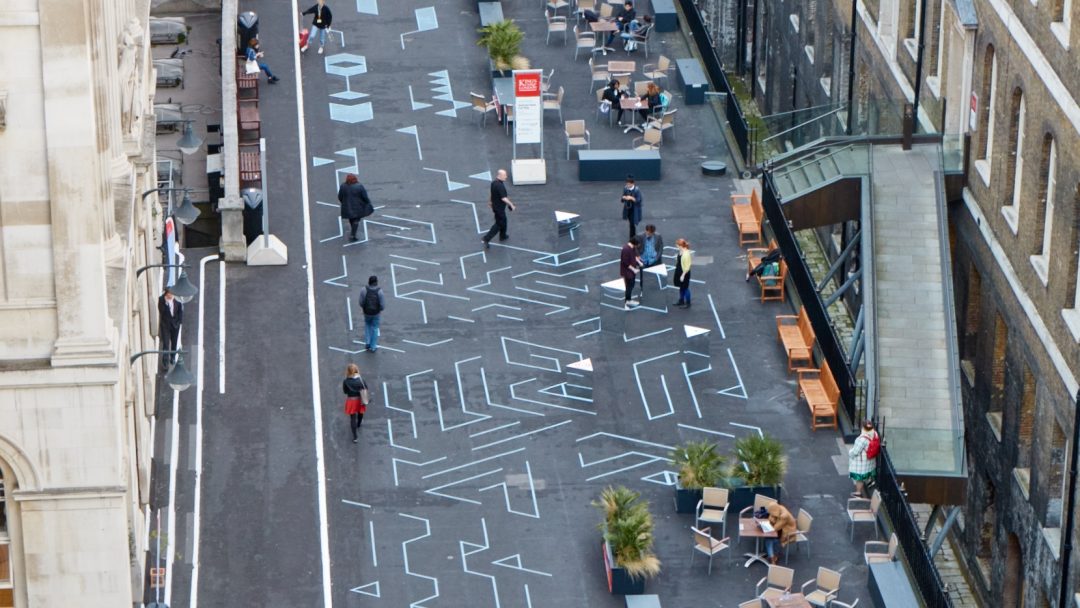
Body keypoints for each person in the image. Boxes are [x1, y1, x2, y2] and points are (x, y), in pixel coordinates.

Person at [482, 169, 516, 248]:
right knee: (498, 224)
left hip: (496, 206)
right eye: (505, 175)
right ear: (500, 175)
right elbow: (504, 198)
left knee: (504, 220)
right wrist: (512, 205)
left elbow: (492, 193)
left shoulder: (494, 183)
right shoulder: (500, 186)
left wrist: (490, 201)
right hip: (499, 208)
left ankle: (503, 235)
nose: (506, 177)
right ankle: (486, 238)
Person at [337, 173, 374, 242]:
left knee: (351, 219)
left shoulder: (343, 186)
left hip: (347, 206)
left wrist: (344, 203)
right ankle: (352, 235)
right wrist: (367, 202)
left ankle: (353, 231)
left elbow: (340, 196)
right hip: (358, 207)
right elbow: (364, 197)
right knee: (356, 220)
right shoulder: (359, 186)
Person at [848, 420, 880, 498]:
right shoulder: (875, 434)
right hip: (870, 461)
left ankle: (858, 492)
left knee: (859, 478)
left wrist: (850, 452)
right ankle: (870, 483)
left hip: (862, 463)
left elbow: (855, 452)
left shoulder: (862, 439)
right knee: (867, 474)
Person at [342, 363, 368, 443]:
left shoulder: (346, 381)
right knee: (360, 412)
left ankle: (355, 437)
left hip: (351, 400)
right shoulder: (361, 380)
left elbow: (345, 391)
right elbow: (366, 388)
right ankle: (359, 423)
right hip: (360, 399)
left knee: (352, 418)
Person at [158, 287, 183, 369]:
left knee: (174, 342)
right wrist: (166, 303)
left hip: (175, 325)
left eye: (171, 294)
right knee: (165, 344)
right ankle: (165, 361)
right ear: (166, 293)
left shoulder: (178, 300)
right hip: (165, 325)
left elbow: (180, 312)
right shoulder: (162, 300)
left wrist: (179, 322)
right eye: (168, 294)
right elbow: (161, 311)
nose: (170, 295)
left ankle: (172, 357)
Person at [359, 276, 385, 352]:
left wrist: (364, 308)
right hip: (376, 313)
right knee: (375, 328)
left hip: (367, 312)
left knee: (367, 325)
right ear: (376, 282)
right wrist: (379, 310)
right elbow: (382, 305)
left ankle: (367, 343)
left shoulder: (364, 290)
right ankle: (373, 347)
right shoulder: (380, 291)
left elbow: (361, 302)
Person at [637, 224, 664, 292]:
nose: (650, 235)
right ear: (646, 231)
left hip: (653, 260)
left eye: (652, 233)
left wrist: (657, 257)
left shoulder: (658, 236)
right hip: (643, 260)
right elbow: (635, 248)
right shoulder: (640, 236)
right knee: (643, 276)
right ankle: (642, 289)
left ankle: (654, 289)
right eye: (649, 233)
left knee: (654, 275)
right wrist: (638, 257)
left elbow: (660, 247)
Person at [620, 237, 642, 310]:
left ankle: (628, 300)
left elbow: (634, 256)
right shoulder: (626, 249)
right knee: (628, 286)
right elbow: (625, 262)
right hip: (627, 271)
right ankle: (626, 302)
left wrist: (639, 262)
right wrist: (634, 269)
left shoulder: (632, 248)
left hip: (631, 271)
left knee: (631, 285)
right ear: (635, 244)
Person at [620, 175, 643, 240]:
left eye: (629, 184)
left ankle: (632, 238)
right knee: (631, 223)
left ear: (633, 183)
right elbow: (622, 198)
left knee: (632, 224)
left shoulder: (636, 190)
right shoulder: (625, 188)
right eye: (627, 184)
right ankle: (632, 237)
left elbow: (639, 200)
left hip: (634, 209)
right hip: (628, 208)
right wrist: (623, 197)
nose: (627, 185)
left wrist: (631, 198)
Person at [673, 238, 692, 308]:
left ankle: (688, 303)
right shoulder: (681, 251)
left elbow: (687, 267)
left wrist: (683, 275)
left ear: (680, 246)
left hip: (684, 273)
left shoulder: (686, 254)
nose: (676, 246)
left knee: (685, 288)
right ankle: (681, 300)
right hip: (679, 270)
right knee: (681, 287)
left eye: (677, 245)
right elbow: (680, 259)